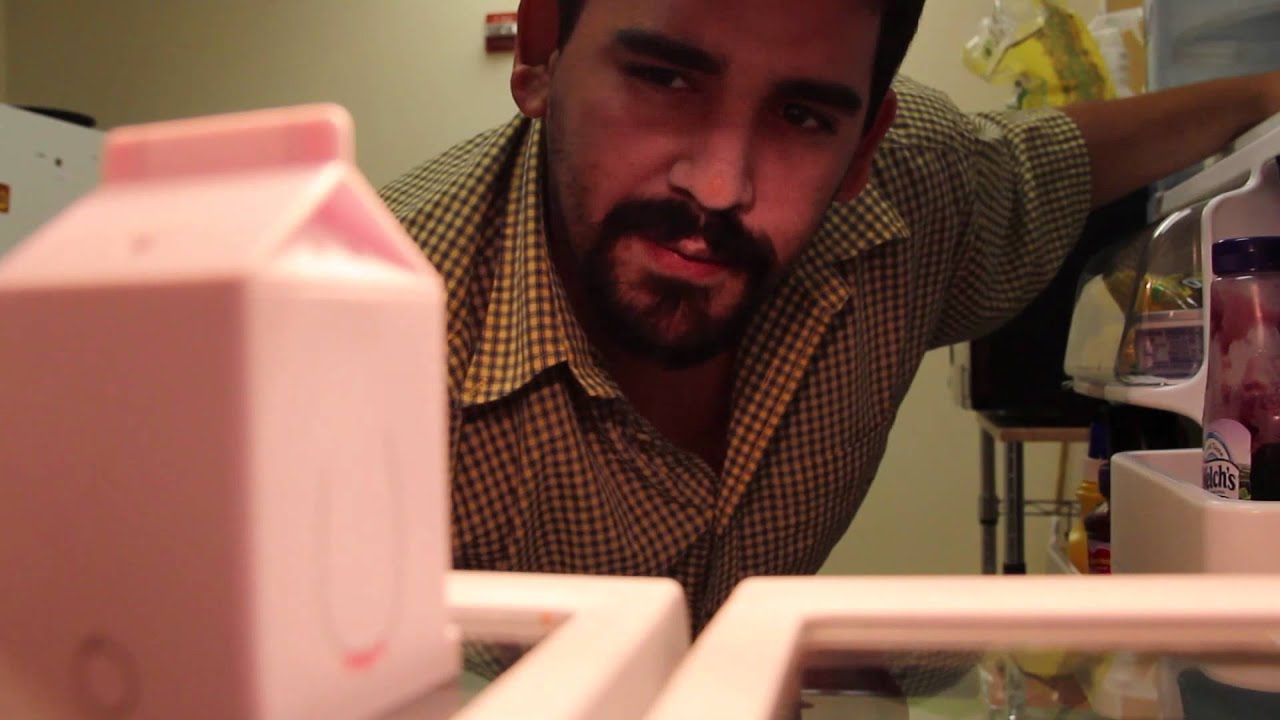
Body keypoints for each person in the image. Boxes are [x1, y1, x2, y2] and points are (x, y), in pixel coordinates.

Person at [381, 0, 1280, 657]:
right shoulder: (377, 351)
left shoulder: (917, 186)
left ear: (863, 146)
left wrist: (1264, 93)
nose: (721, 186)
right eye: (664, 78)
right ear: (540, 53)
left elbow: (1057, 160)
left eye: (802, 118)